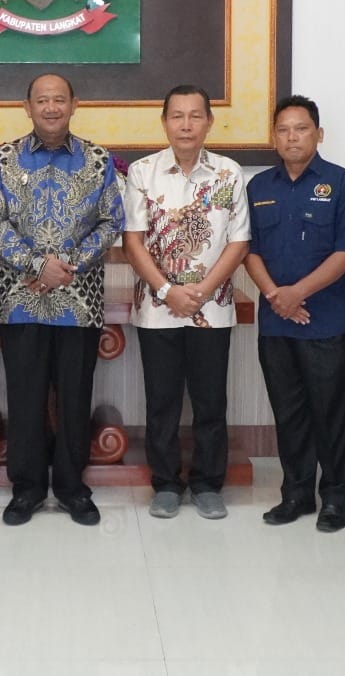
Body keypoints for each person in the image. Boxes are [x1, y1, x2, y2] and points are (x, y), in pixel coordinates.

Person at [0, 73, 124, 527]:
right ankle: (26, 488)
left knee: (74, 398)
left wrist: (70, 266)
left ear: (74, 104)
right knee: (25, 397)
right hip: (20, 297)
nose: (50, 107)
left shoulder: (98, 159)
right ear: (27, 107)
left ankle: (71, 487)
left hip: (78, 300)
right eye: (42, 100)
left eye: (59, 99)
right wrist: (36, 265)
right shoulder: (2, 158)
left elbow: (111, 221)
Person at [122, 84, 249, 520]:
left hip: (211, 308)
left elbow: (239, 241)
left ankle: (208, 483)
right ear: (165, 122)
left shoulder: (229, 173)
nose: (186, 124)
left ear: (209, 121)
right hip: (157, 310)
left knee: (210, 402)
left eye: (196, 115)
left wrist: (203, 290)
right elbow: (133, 242)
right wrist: (167, 291)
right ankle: (166, 484)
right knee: (162, 403)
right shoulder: (143, 172)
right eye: (177, 116)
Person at [245, 95, 345, 531]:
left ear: (319, 134)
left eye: (301, 128)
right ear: (273, 138)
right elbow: (249, 250)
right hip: (276, 322)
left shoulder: (343, 183)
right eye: (283, 130)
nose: (292, 137)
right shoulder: (259, 187)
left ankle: (335, 497)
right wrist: (275, 295)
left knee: (331, 414)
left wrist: (297, 293)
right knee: (289, 413)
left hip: (326, 322)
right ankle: (296, 494)